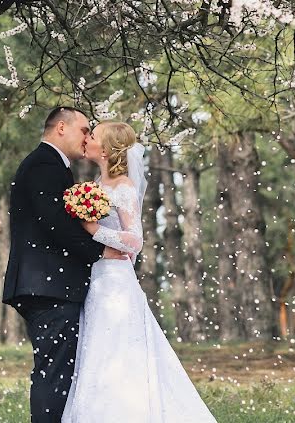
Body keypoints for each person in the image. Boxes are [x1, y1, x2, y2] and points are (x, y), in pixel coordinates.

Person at [61, 122, 217, 422]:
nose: (87, 138)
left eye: (92, 136)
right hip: (97, 277)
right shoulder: (97, 185)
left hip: (116, 282)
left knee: (118, 345)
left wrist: (94, 231)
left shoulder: (123, 187)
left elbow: (135, 240)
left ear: (104, 150)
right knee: (97, 348)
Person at [2, 107, 134, 423]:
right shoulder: (45, 165)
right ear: (62, 128)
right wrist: (100, 251)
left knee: (60, 370)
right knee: (55, 372)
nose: (88, 137)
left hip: (48, 284)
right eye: (84, 130)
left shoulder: (50, 165)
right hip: (48, 286)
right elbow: (55, 223)